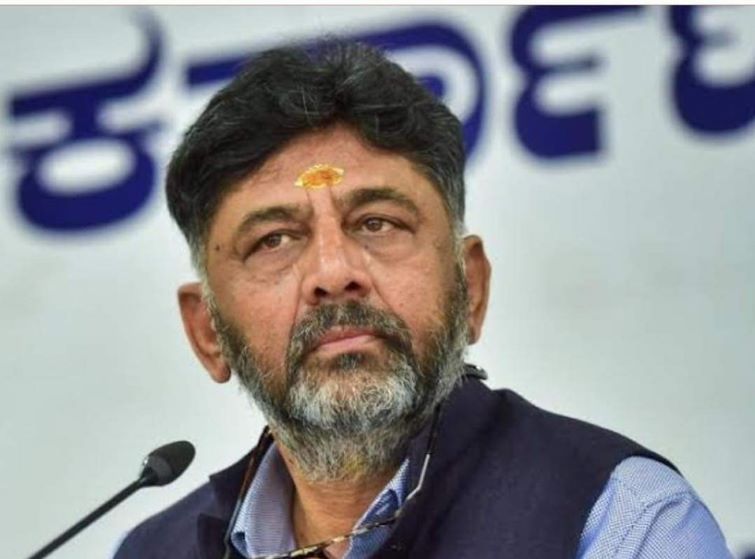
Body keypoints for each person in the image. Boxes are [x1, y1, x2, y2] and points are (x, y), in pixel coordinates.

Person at [114, 41, 732, 559]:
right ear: (208, 333)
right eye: (274, 239)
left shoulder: (620, 522)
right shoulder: (152, 552)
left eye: (377, 223)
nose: (333, 273)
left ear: (471, 288)